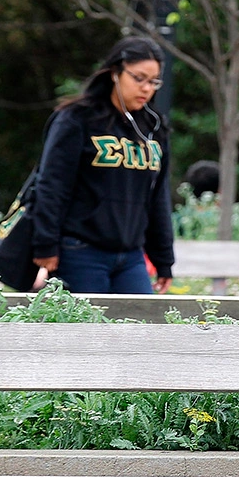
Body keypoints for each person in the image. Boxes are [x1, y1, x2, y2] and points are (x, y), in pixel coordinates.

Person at [30, 36, 175, 294]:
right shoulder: (76, 119)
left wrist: (164, 260)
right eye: (138, 78)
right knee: (86, 332)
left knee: (143, 329)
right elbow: (52, 184)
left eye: (153, 82)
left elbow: (158, 197)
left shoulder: (153, 128)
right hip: (80, 251)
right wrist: (46, 244)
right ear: (115, 73)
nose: (146, 88)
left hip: (130, 256)